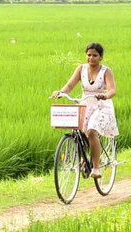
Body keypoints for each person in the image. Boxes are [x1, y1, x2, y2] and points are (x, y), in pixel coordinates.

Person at [49, 42, 118, 178]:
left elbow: (112, 90)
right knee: (78, 131)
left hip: (102, 106)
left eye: (95, 55)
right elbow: (70, 85)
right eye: (89, 55)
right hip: (85, 104)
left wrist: (105, 96)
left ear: (101, 57)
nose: (91, 58)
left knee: (92, 131)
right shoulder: (81, 69)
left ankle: (96, 168)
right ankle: (83, 159)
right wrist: (60, 92)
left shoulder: (106, 71)